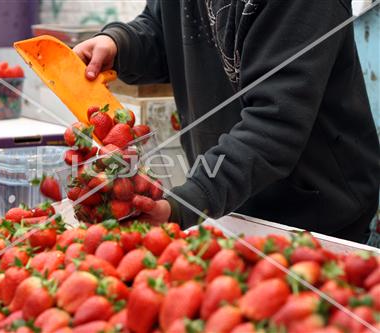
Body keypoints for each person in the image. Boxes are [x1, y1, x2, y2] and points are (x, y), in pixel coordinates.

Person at [74, 0, 380, 243]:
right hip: (228, 204)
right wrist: (119, 44)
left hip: (313, 219)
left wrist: (188, 203)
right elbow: (161, 30)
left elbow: (274, 127)